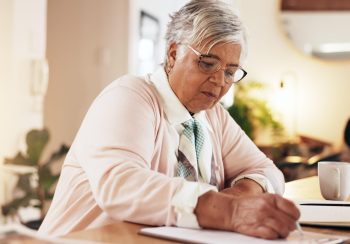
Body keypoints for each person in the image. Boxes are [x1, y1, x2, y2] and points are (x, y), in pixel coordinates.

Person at [39, 0, 300, 239]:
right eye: (207, 64)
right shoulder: (130, 96)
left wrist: (238, 198)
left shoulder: (214, 115)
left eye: (231, 72)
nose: (220, 81)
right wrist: (227, 211)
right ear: (173, 53)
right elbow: (120, 186)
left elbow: (267, 171)